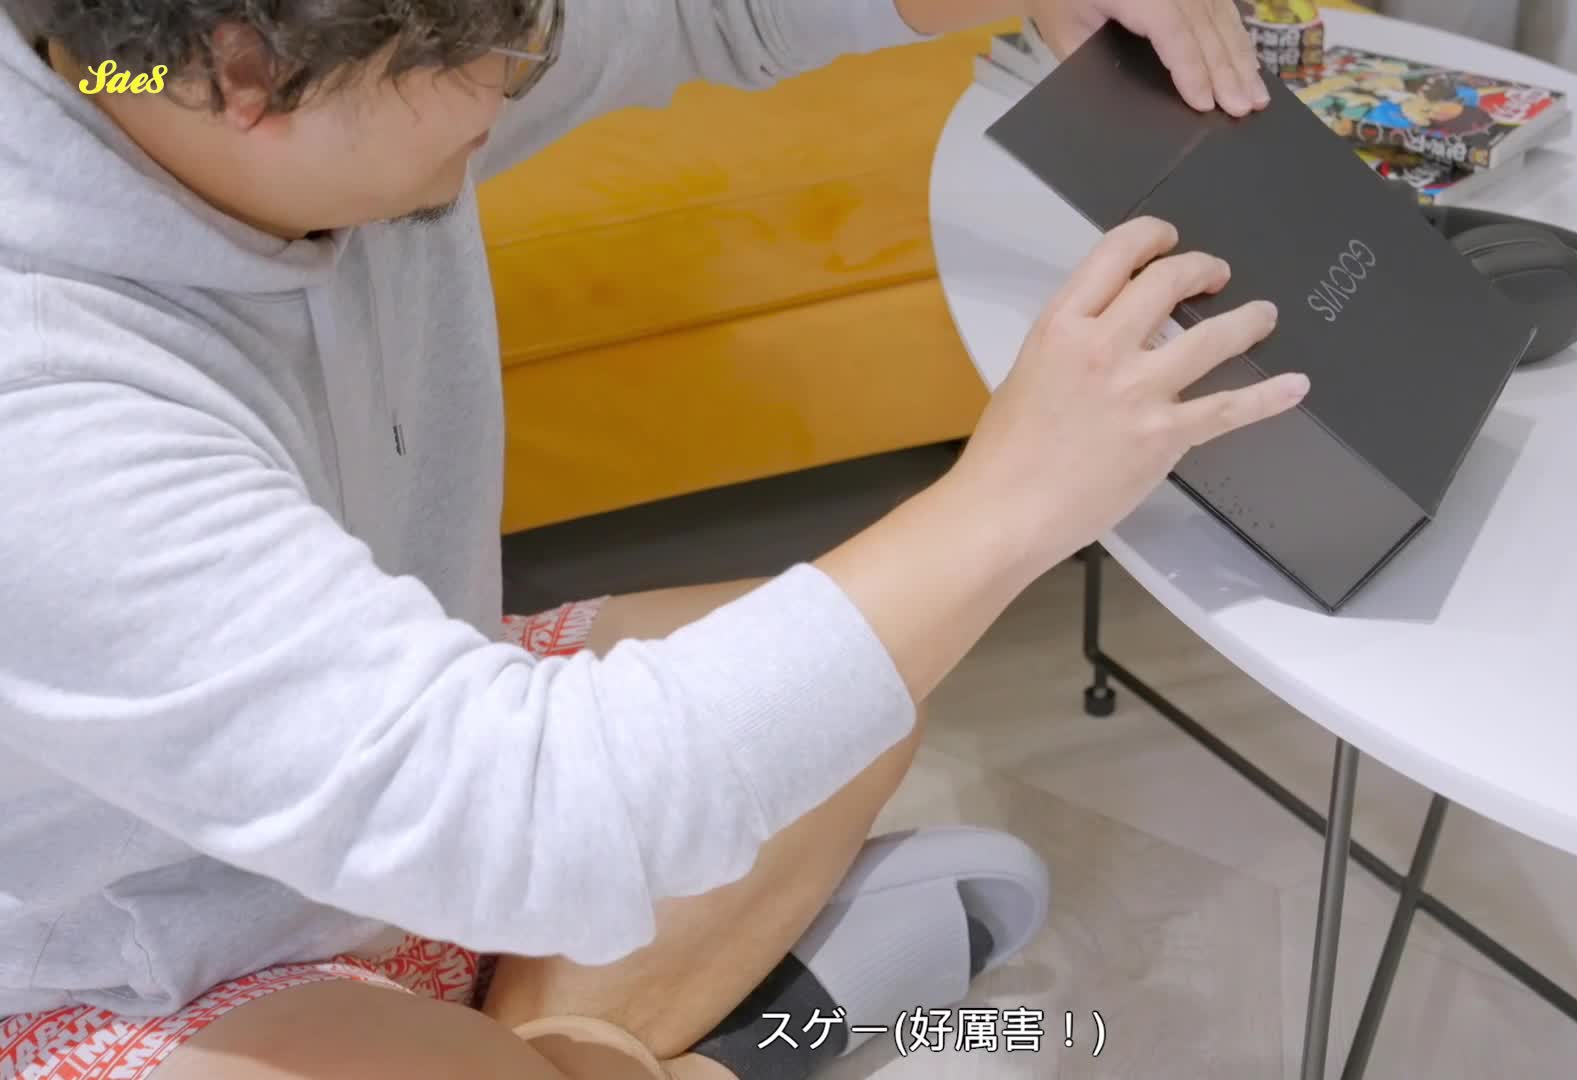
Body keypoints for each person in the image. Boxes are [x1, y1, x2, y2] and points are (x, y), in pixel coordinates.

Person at [0, 0, 1310, 1076]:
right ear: (250, 77)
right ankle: (718, 1042)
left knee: (856, 693)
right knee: (822, 678)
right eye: (490, 47)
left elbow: (692, 12)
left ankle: (584, 1044)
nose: (524, 65)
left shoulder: (157, 73)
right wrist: (1009, 500)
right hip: (132, 953)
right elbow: (522, 814)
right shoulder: (48, 410)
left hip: (398, 770)